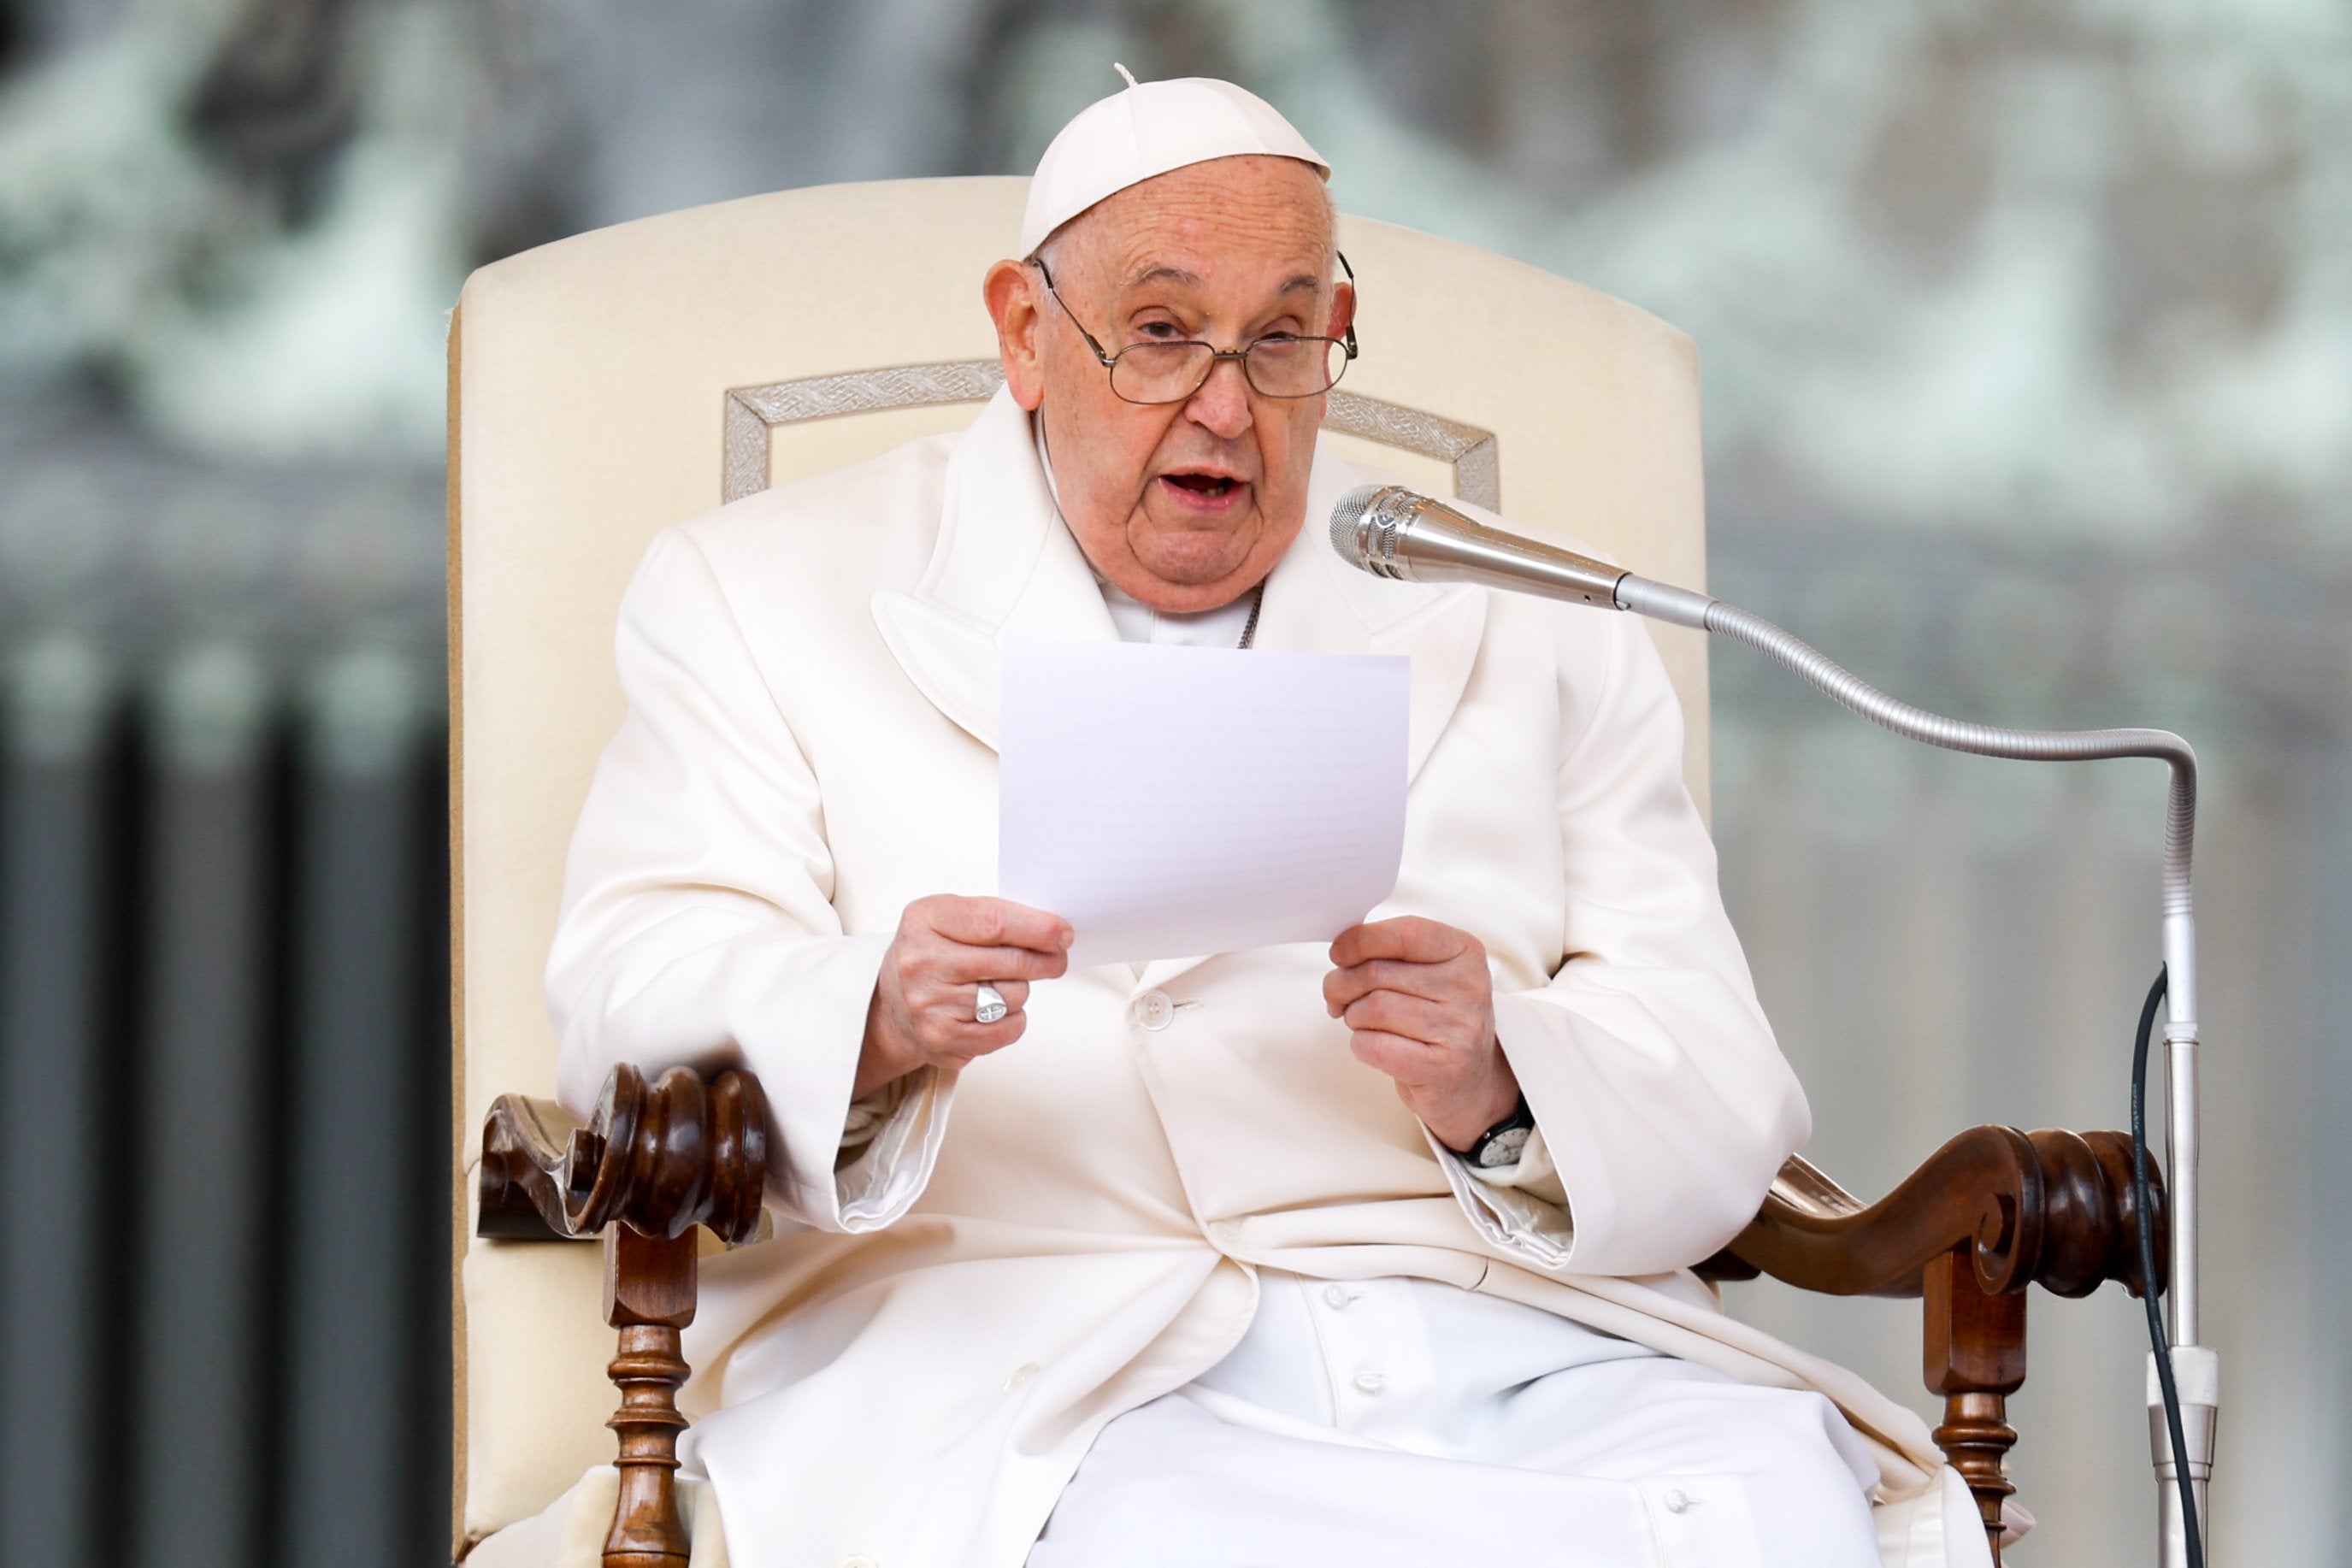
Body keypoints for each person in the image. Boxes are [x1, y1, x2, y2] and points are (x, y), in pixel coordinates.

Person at [544, 72, 1995, 1568]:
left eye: (1284, 339)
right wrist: (873, 1012)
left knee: (1776, 1507)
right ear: (1027, 334)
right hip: (1050, 1370)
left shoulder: (1527, 612)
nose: (1226, 407)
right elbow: (629, 981)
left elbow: (1720, 1079)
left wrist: (1505, 1084)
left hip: (1525, 1359)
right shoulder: (765, 589)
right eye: (1163, 333)